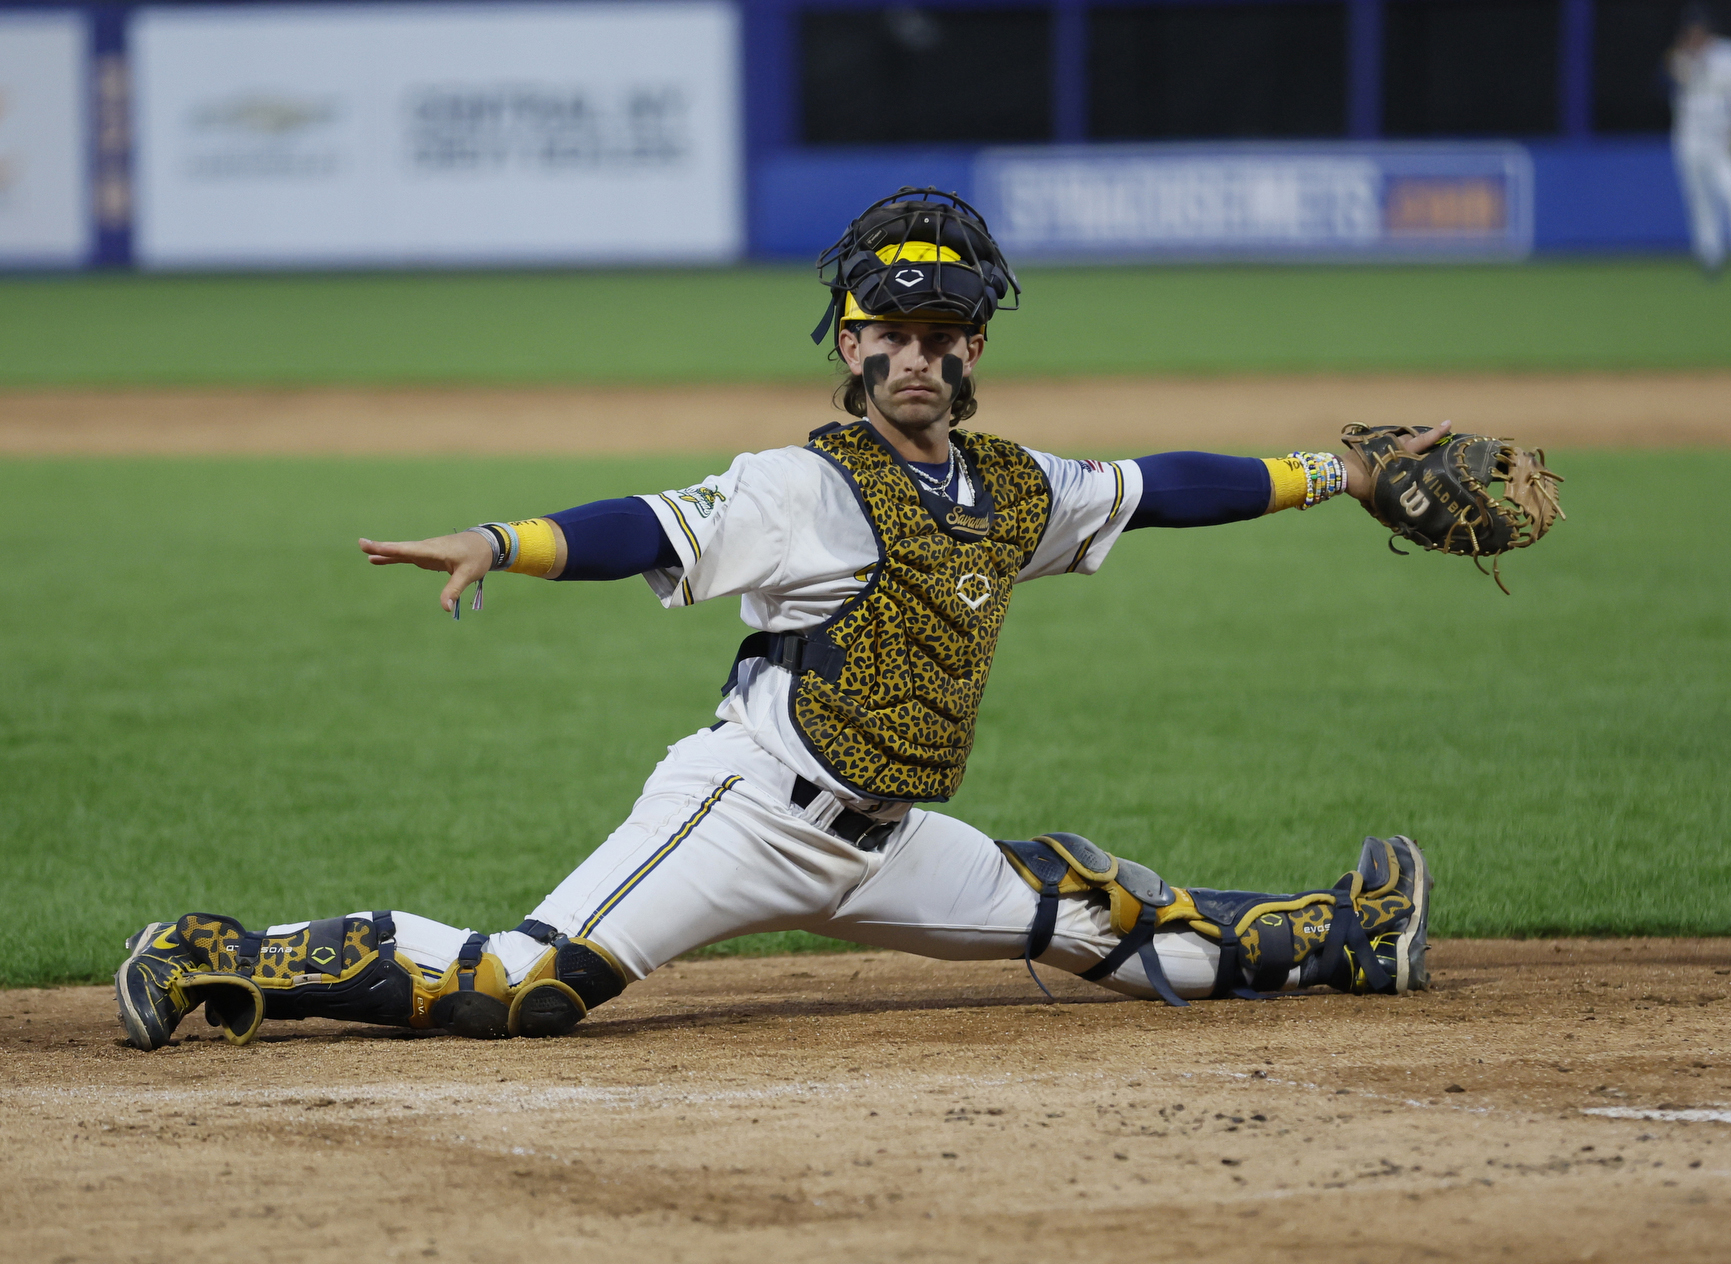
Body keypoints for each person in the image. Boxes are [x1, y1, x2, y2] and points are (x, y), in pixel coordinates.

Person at [114, 189, 1434, 1051]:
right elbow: (644, 524)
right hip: (743, 811)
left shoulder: (1016, 488)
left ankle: (1349, 935)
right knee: (521, 987)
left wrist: (1345, 474)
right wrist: (501, 543)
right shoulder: (802, 485)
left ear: (974, 347)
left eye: (941, 332)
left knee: (1134, 946)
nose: (914, 354)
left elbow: (1158, 491)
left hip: (888, 842)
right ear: (848, 345)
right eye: (888, 332)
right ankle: (216, 953)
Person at [1669, 3, 1731, 272]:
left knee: (1728, 191)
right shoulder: (1682, 57)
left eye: (1699, 31)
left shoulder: (1725, 54)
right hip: (1689, 137)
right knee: (1699, 198)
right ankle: (1710, 254)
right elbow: (1673, 81)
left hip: (1721, 136)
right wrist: (1689, 56)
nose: (1694, 36)